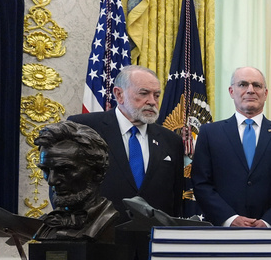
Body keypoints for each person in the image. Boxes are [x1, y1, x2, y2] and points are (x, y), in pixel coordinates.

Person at [68, 65, 185, 218]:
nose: (152, 101)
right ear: (119, 94)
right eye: (144, 93)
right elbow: (64, 185)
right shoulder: (85, 128)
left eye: (156, 95)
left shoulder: (171, 140)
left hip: (152, 236)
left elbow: (175, 200)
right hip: (97, 234)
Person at [192, 67, 271, 228]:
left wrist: (268, 222)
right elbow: (201, 183)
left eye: (257, 85)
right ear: (231, 91)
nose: (250, 90)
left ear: (265, 93)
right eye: (243, 84)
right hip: (222, 233)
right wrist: (229, 218)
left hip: (270, 234)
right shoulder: (209, 133)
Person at [32, 121, 119, 242]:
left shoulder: (106, 220)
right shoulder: (47, 225)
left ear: (97, 172)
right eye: (46, 170)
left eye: (65, 170)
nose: (51, 180)